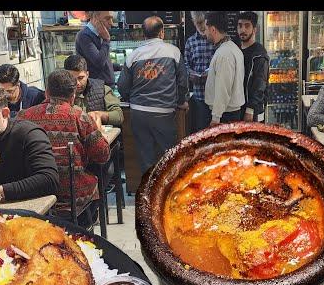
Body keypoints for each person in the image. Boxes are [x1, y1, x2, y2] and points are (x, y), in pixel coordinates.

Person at [17, 69, 110, 225]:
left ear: (46, 92)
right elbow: (103, 154)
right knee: (105, 171)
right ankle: (85, 225)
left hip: (33, 192)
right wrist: (99, 132)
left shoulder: (23, 116)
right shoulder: (79, 116)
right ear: (73, 95)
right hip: (74, 195)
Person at [117, 16, 188, 174]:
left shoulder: (133, 55)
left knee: (145, 158)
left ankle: (148, 195)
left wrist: (131, 99)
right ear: (162, 32)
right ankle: (166, 195)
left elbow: (122, 86)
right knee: (168, 157)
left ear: (144, 34)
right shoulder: (174, 52)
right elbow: (183, 83)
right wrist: (180, 101)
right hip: (164, 113)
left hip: (139, 113)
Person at [203, 11, 245, 124]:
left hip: (225, 115)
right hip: (227, 112)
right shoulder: (230, 48)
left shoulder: (224, 53)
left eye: (206, 29)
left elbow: (223, 88)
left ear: (212, 29)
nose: (205, 33)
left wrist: (216, 118)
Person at [63, 54, 123, 129]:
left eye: (81, 78)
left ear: (87, 74)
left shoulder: (102, 89)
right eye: (72, 78)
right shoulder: (60, 92)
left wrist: (99, 115)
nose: (77, 83)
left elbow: (119, 116)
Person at [184, 11, 216, 132]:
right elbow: (185, 65)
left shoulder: (215, 38)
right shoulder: (190, 42)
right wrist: (190, 74)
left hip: (216, 96)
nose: (202, 26)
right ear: (193, 22)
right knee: (201, 133)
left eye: (203, 22)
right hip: (199, 96)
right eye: (198, 23)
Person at [237, 11, 269, 123]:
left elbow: (260, 84)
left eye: (247, 26)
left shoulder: (259, 53)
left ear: (254, 29)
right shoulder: (237, 50)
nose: (243, 30)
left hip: (253, 110)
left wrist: (250, 109)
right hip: (239, 108)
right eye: (240, 25)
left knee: (255, 139)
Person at [75, 11, 116, 87]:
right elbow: (99, 62)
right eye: (107, 19)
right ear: (95, 18)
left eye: (111, 19)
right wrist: (106, 40)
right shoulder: (84, 36)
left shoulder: (100, 34)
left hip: (105, 86)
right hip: (96, 88)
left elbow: (105, 61)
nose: (111, 23)